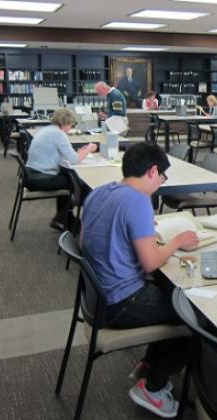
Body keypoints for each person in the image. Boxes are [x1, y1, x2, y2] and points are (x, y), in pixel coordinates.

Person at [81, 142, 198, 418]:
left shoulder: (99, 193)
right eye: (163, 177)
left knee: (169, 295)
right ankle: (153, 387)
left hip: (98, 298)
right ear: (153, 170)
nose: (161, 183)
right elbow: (151, 262)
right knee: (199, 317)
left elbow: (92, 238)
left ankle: (148, 365)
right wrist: (178, 241)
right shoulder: (138, 201)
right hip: (121, 302)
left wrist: (138, 233)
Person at [25, 108, 97, 230]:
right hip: (40, 178)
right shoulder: (59, 134)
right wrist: (89, 149)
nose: (71, 128)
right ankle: (62, 218)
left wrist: (79, 153)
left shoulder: (47, 130)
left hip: (31, 175)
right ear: (65, 122)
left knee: (68, 180)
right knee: (79, 185)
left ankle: (65, 220)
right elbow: (74, 160)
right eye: (71, 125)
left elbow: (61, 156)